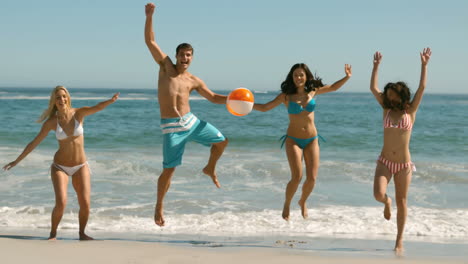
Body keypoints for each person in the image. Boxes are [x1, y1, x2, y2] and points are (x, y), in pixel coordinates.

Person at [144, 3, 229, 227]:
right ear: (176, 56)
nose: (185, 58)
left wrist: (234, 100)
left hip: (191, 122)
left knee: (221, 141)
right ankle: (159, 207)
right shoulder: (165, 67)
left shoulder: (193, 80)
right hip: (171, 127)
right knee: (168, 171)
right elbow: (150, 41)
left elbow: (212, 97)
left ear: (192, 58)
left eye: (189, 55)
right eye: (182, 54)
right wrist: (150, 16)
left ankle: (210, 167)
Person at [3, 86, 119, 240]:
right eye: (58, 97)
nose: (62, 99)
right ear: (54, 101)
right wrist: (17, 161)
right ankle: (53, 234)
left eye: (64, 96)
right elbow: (34, 142)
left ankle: (82, 233)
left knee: (85, 203)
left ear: (68, 98)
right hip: (60, 167)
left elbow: (96, 107)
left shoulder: (78, 114)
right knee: (61, 202)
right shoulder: (52, 122)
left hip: (80, 166)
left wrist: (110, 101)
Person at [253, 63, 352, 221]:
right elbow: (265, 107)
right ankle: (287, 203)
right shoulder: (286, 96)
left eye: (301, 75)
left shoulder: (314, 91)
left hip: (312, 139)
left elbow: (333, 87)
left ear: (306, 77)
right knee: (297, 176)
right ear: (291, 78)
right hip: (293, 140)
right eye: (295, 75)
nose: (298, 78)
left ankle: (303, 201)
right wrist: (246, 105)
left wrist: (347, 77)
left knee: (312, 178)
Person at [370, 48, 432, 253]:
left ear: (400, 93)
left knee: (403, 201)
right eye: (388, 93)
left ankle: (399, 240)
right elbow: (373, 88)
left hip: (404, 165)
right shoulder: (385, 109)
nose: (389, 95)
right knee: (378, 194)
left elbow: (422, 87)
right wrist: (376, 66)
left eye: (392, 92)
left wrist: (424, 65)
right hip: (385, 161)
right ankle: (386, 202)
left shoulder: (410, 110)